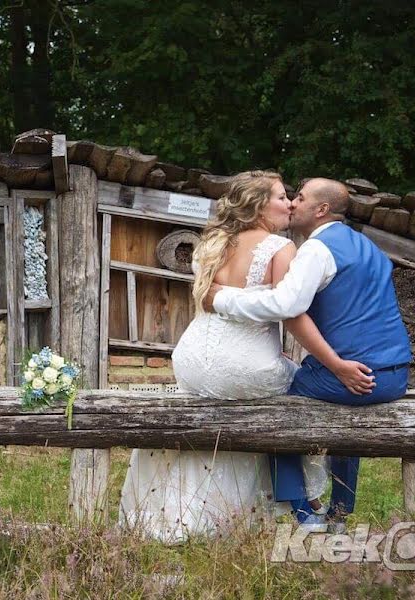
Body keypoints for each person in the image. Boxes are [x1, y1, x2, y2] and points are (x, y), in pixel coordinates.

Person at [118, 171, 371, 542]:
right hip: (242, 367)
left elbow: (211, 301)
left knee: (272, 375)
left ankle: (174, 507)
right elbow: (293, 315)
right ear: (257, 205)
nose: (290, 204)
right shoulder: (280, 248)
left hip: (191, 361)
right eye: (282, 197)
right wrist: (333, 363)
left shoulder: (213, 243)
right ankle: (308, 502)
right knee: (305, 389)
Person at [205, 177, 411, 528]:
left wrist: (220, 298)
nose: (292, 204)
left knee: (277, 403)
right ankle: (340, 512)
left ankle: (301, 512)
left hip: (350, 375)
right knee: (345, 414)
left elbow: (287, 305)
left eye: (299, 198)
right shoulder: (367, 246)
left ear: (321, 210)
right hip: (395, 375)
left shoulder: (316, 250)